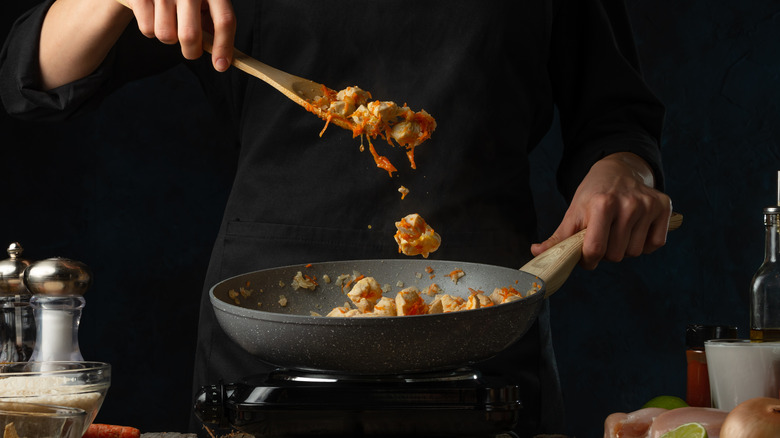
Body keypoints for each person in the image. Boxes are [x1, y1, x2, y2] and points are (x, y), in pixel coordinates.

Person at [0, 0, 673, 435]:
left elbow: (617, 118)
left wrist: (623, 170)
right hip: (264, 337)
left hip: (483, 327)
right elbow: (31, 77)